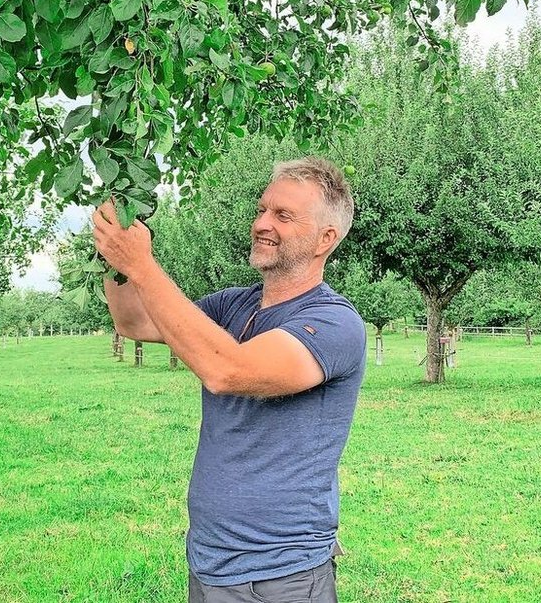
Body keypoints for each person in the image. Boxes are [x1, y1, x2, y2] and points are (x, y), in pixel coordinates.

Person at [91, 156, 367, 603]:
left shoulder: (334, 323)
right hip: (209, 562)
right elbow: (134, 322)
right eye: (261, 209)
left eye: (283, 215)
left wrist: (142, 265)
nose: (262, 223)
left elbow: (228, 370)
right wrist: (115, 251)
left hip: (282, 574)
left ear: (325, 238)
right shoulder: (232, 306)